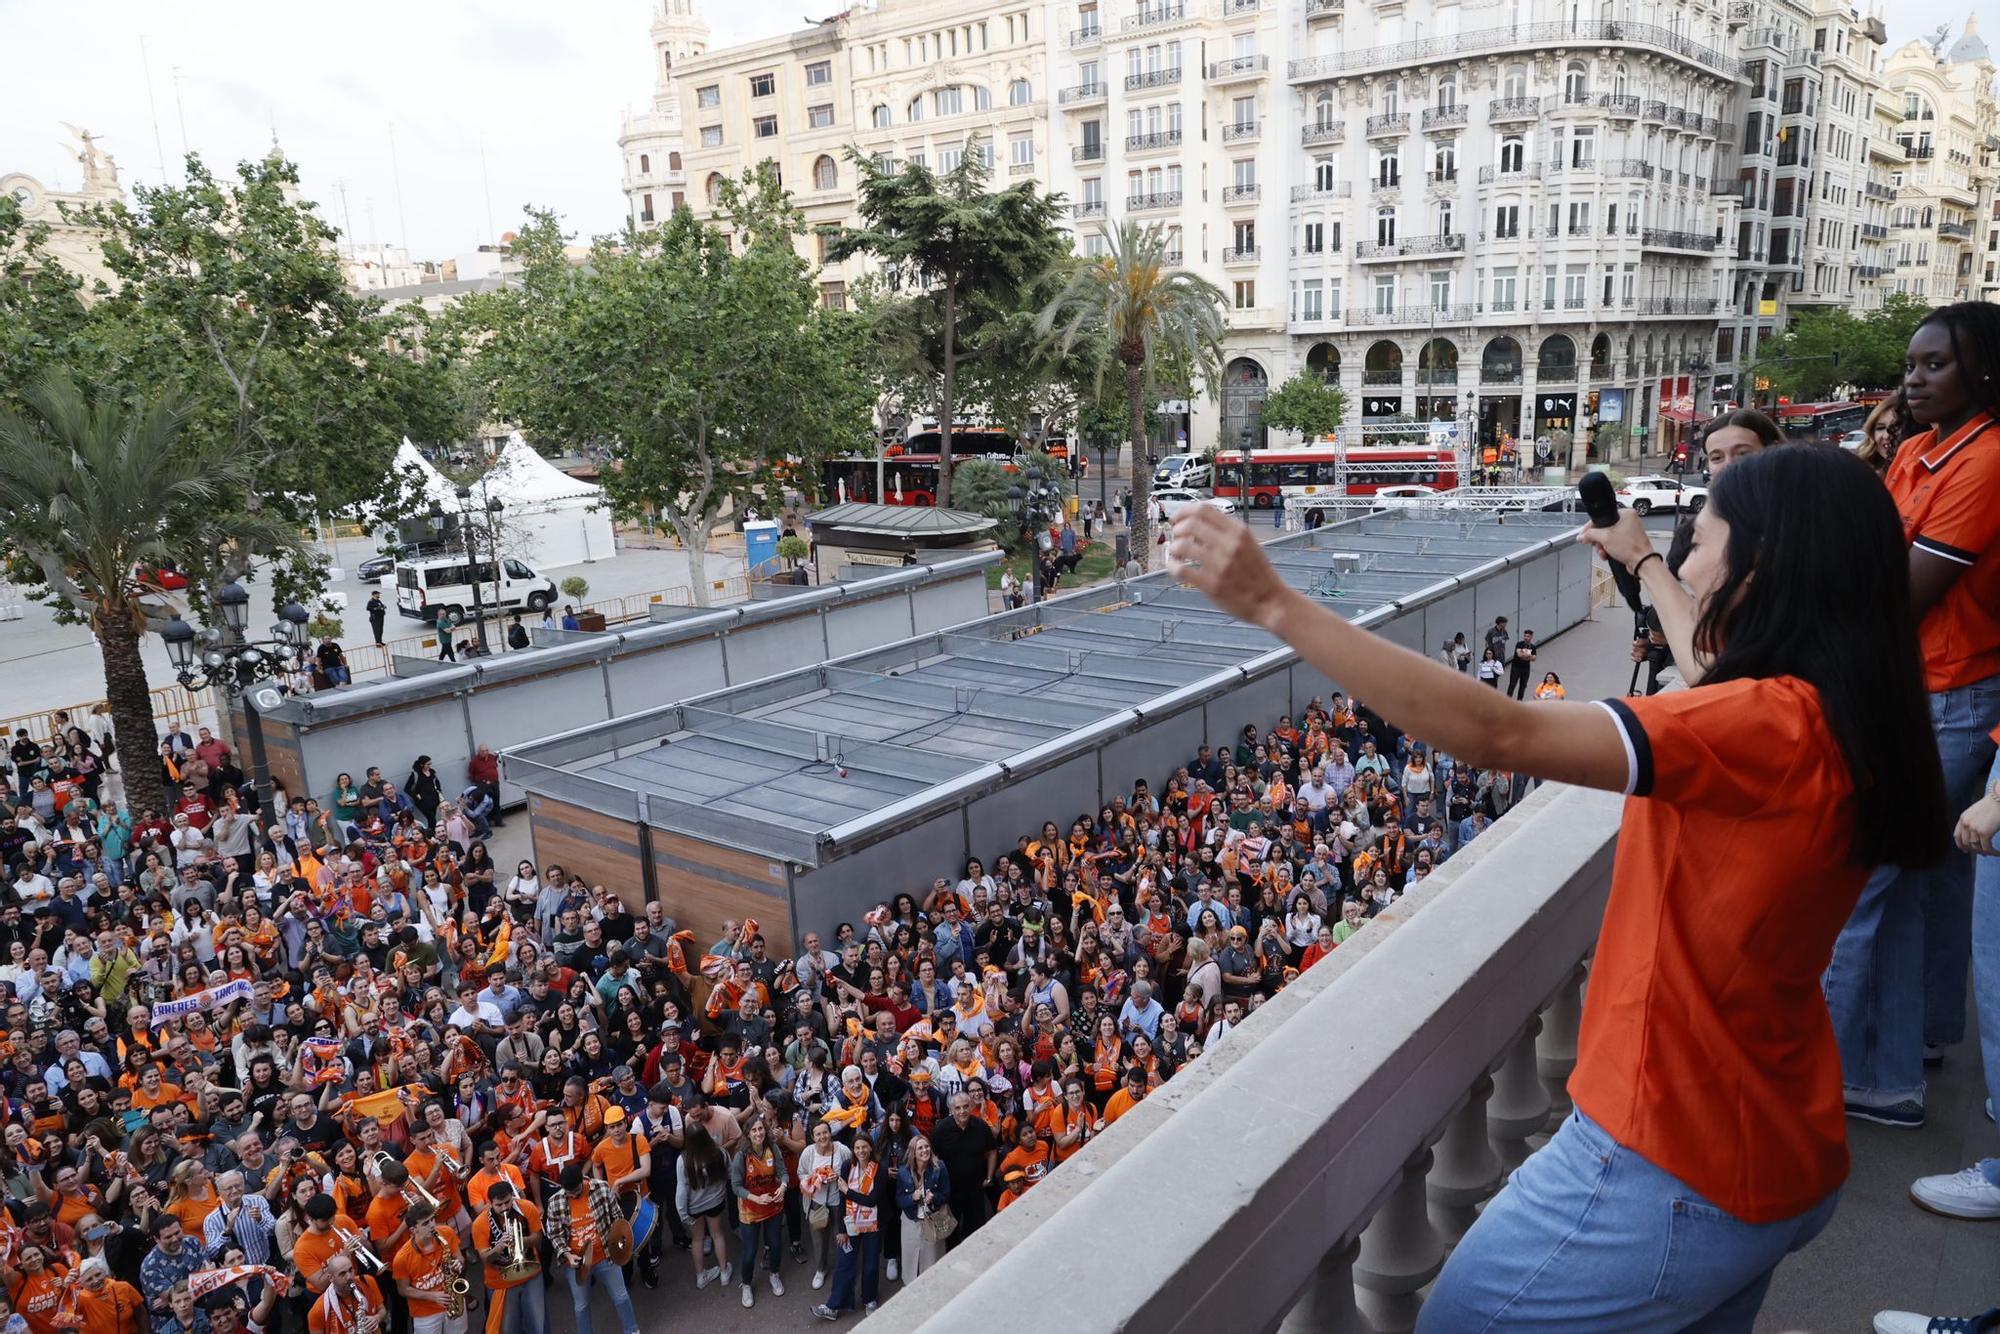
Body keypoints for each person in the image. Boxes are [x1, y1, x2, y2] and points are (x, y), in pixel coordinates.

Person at [1167, 443, 1946, 1330]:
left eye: (1700, 542)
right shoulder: (1839, 708)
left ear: (1764, 567)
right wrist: (1643, 559)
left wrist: (1274, 602)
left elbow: (1495, 732)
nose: (1685, 561)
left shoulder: (1756, 726)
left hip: (1666, 1159)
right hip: (1778, 1148)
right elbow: (1707, 670)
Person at [1826, 302, 2000, 1135]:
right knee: (1928, 878)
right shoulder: (1927, 448)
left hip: (1949, 694)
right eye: (1910, 364)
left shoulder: (1988, 460)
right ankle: (1924, 1038)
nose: (1914, 379)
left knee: (1866, 885)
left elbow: (1897, 589)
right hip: (1926, 688)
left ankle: (1860, 1075)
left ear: (1984, 373)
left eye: (1936, 365)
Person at [544, 1163, 638, 1334]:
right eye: (568, 1192)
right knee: (581, 1306)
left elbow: (617, 1217)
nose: (571, 1194)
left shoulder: (601, 1189)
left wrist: (621, 1246)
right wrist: (566, 1255)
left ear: (583, 1181)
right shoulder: (555, 1202)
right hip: (577, 1264)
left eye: (575, 1190)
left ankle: (632, 1331)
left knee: (621, 1297)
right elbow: (554, 1235)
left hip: (605, 1257)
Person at [1504, 629, 1535, 700]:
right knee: (1512, 684)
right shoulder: (1519, 644)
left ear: (1531, 637)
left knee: (1523, 686)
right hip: (1516, 668)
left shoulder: (1532, 647)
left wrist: (1525, 656)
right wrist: (1529, 656)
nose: (1526, 638)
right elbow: (1519, 655)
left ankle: (1519, 701)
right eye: (1525, 636)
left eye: (1528, 636)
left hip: (1526, 669)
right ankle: (1508, 700)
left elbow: (1534, 658)